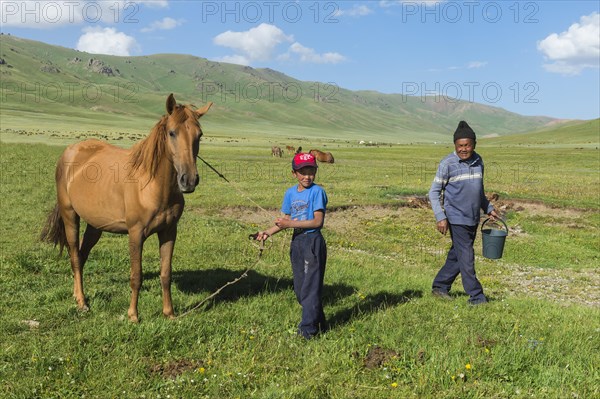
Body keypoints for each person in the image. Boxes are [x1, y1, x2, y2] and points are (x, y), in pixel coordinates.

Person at [256, 152, 328, 339]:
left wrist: (290, 224)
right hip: (297, 242)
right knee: (300, 289)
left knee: (310, 289)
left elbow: (317, 222)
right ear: (293, 173)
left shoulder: (317, 192)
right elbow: (286, 220)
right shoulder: (290, 193)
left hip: (312, 241)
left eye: (311, 171)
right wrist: (267, 232)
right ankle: (320, 323)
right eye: (302, 172)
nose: (307, 176)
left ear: (316, 171)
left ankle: (307, 331)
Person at [428, 121, 499, 305]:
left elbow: (478, 190)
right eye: (460, 145)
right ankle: (477, 297)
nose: (464, 149)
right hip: (456, 217)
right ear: (455, 145)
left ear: (474, 144)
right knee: (466, 256)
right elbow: (434, 192)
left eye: (467, 145)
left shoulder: (479, 161)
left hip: (473, 217)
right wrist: (440, 216)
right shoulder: (447, 164)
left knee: (457, 254)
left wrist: (488, 208)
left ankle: (440, 286)